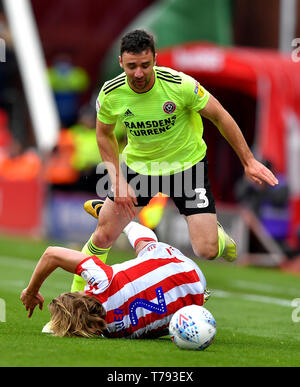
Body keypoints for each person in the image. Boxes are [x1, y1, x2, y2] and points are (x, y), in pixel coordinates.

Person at [74, 30, 278, 291]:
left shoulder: (179, 85)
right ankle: (76, 298)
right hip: (140, 169)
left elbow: (220, 116)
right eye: (132, 66)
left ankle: (217, 235)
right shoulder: (111, 93)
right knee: (103, 234)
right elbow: (103, 134)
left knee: (206, 249)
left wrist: (248, 161)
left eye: (145, 65)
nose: (138, 73)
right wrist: (116, 179)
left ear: (155, 60)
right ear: (121, 62)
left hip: (186, 169)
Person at [20, 221, 207, 339]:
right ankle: (123, 223)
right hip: (178, 262)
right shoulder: (102, 282)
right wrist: (31, 291)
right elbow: (51, 254)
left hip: (196, 299)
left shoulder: (113, 333)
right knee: (146, 247)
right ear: (80, 295)